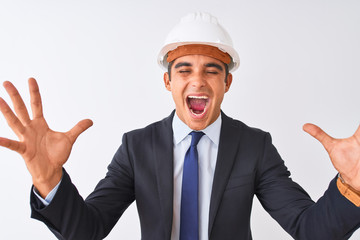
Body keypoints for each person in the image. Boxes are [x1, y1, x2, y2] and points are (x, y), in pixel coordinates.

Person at [0, 12, 360, 240]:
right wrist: (48, 180)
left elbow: (309, 229)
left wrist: (353, 187)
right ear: (168, 82)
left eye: (212, 71)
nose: (198, 82)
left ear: (227, 84)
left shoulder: (254, 147)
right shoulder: (136, 147)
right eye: (184, 70)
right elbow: (88, 230)